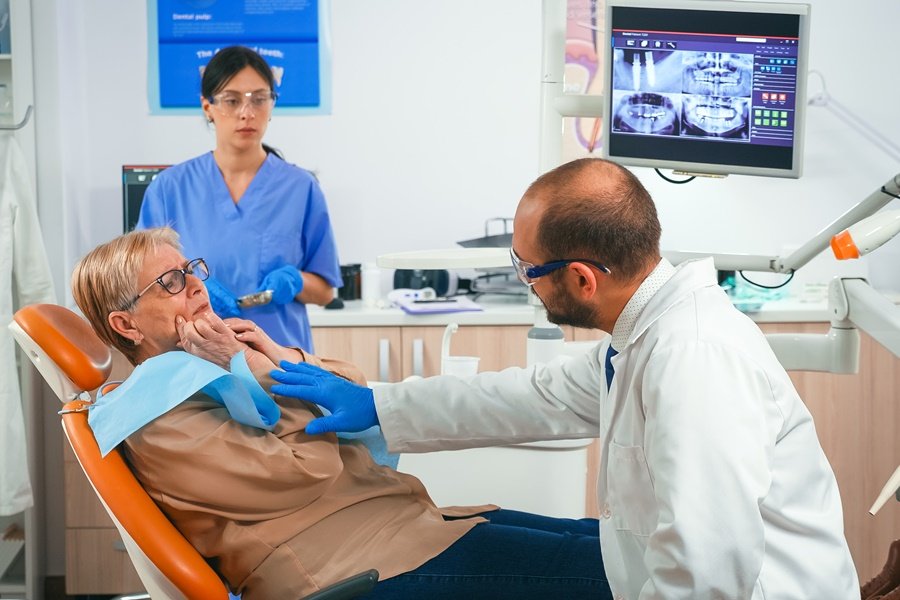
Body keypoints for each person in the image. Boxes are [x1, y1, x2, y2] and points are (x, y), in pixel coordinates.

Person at [270, 158, 861, 599]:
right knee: (489, 530)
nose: (524, 280)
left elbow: (708, 572)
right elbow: (535, 397)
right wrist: (380, 403)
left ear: (581, 279)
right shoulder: (644, 332)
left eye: (527, 269)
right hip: (651, 563)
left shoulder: (694, 358)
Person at [70, 226, 613, 600]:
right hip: (346, 572)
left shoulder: (211, 364)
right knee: (614, 577)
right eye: (168, 282)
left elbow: (354, 394)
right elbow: (301, 473)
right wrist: (252, 371)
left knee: (609, 542)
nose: (194, 285)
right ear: (126, 325)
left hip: (402, 527)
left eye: (189, 269)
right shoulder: (155, 416)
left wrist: (279, 358)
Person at [136, 45, 340, 353]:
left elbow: (325, 292)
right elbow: (141, 288)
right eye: (231, 100)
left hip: (281, 362)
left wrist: (296, 281)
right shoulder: (169, 189)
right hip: (196, 361)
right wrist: (192, 287)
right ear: (207, 107)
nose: (247, 112)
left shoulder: (300, 188)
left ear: (272, 105)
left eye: (259, 99)